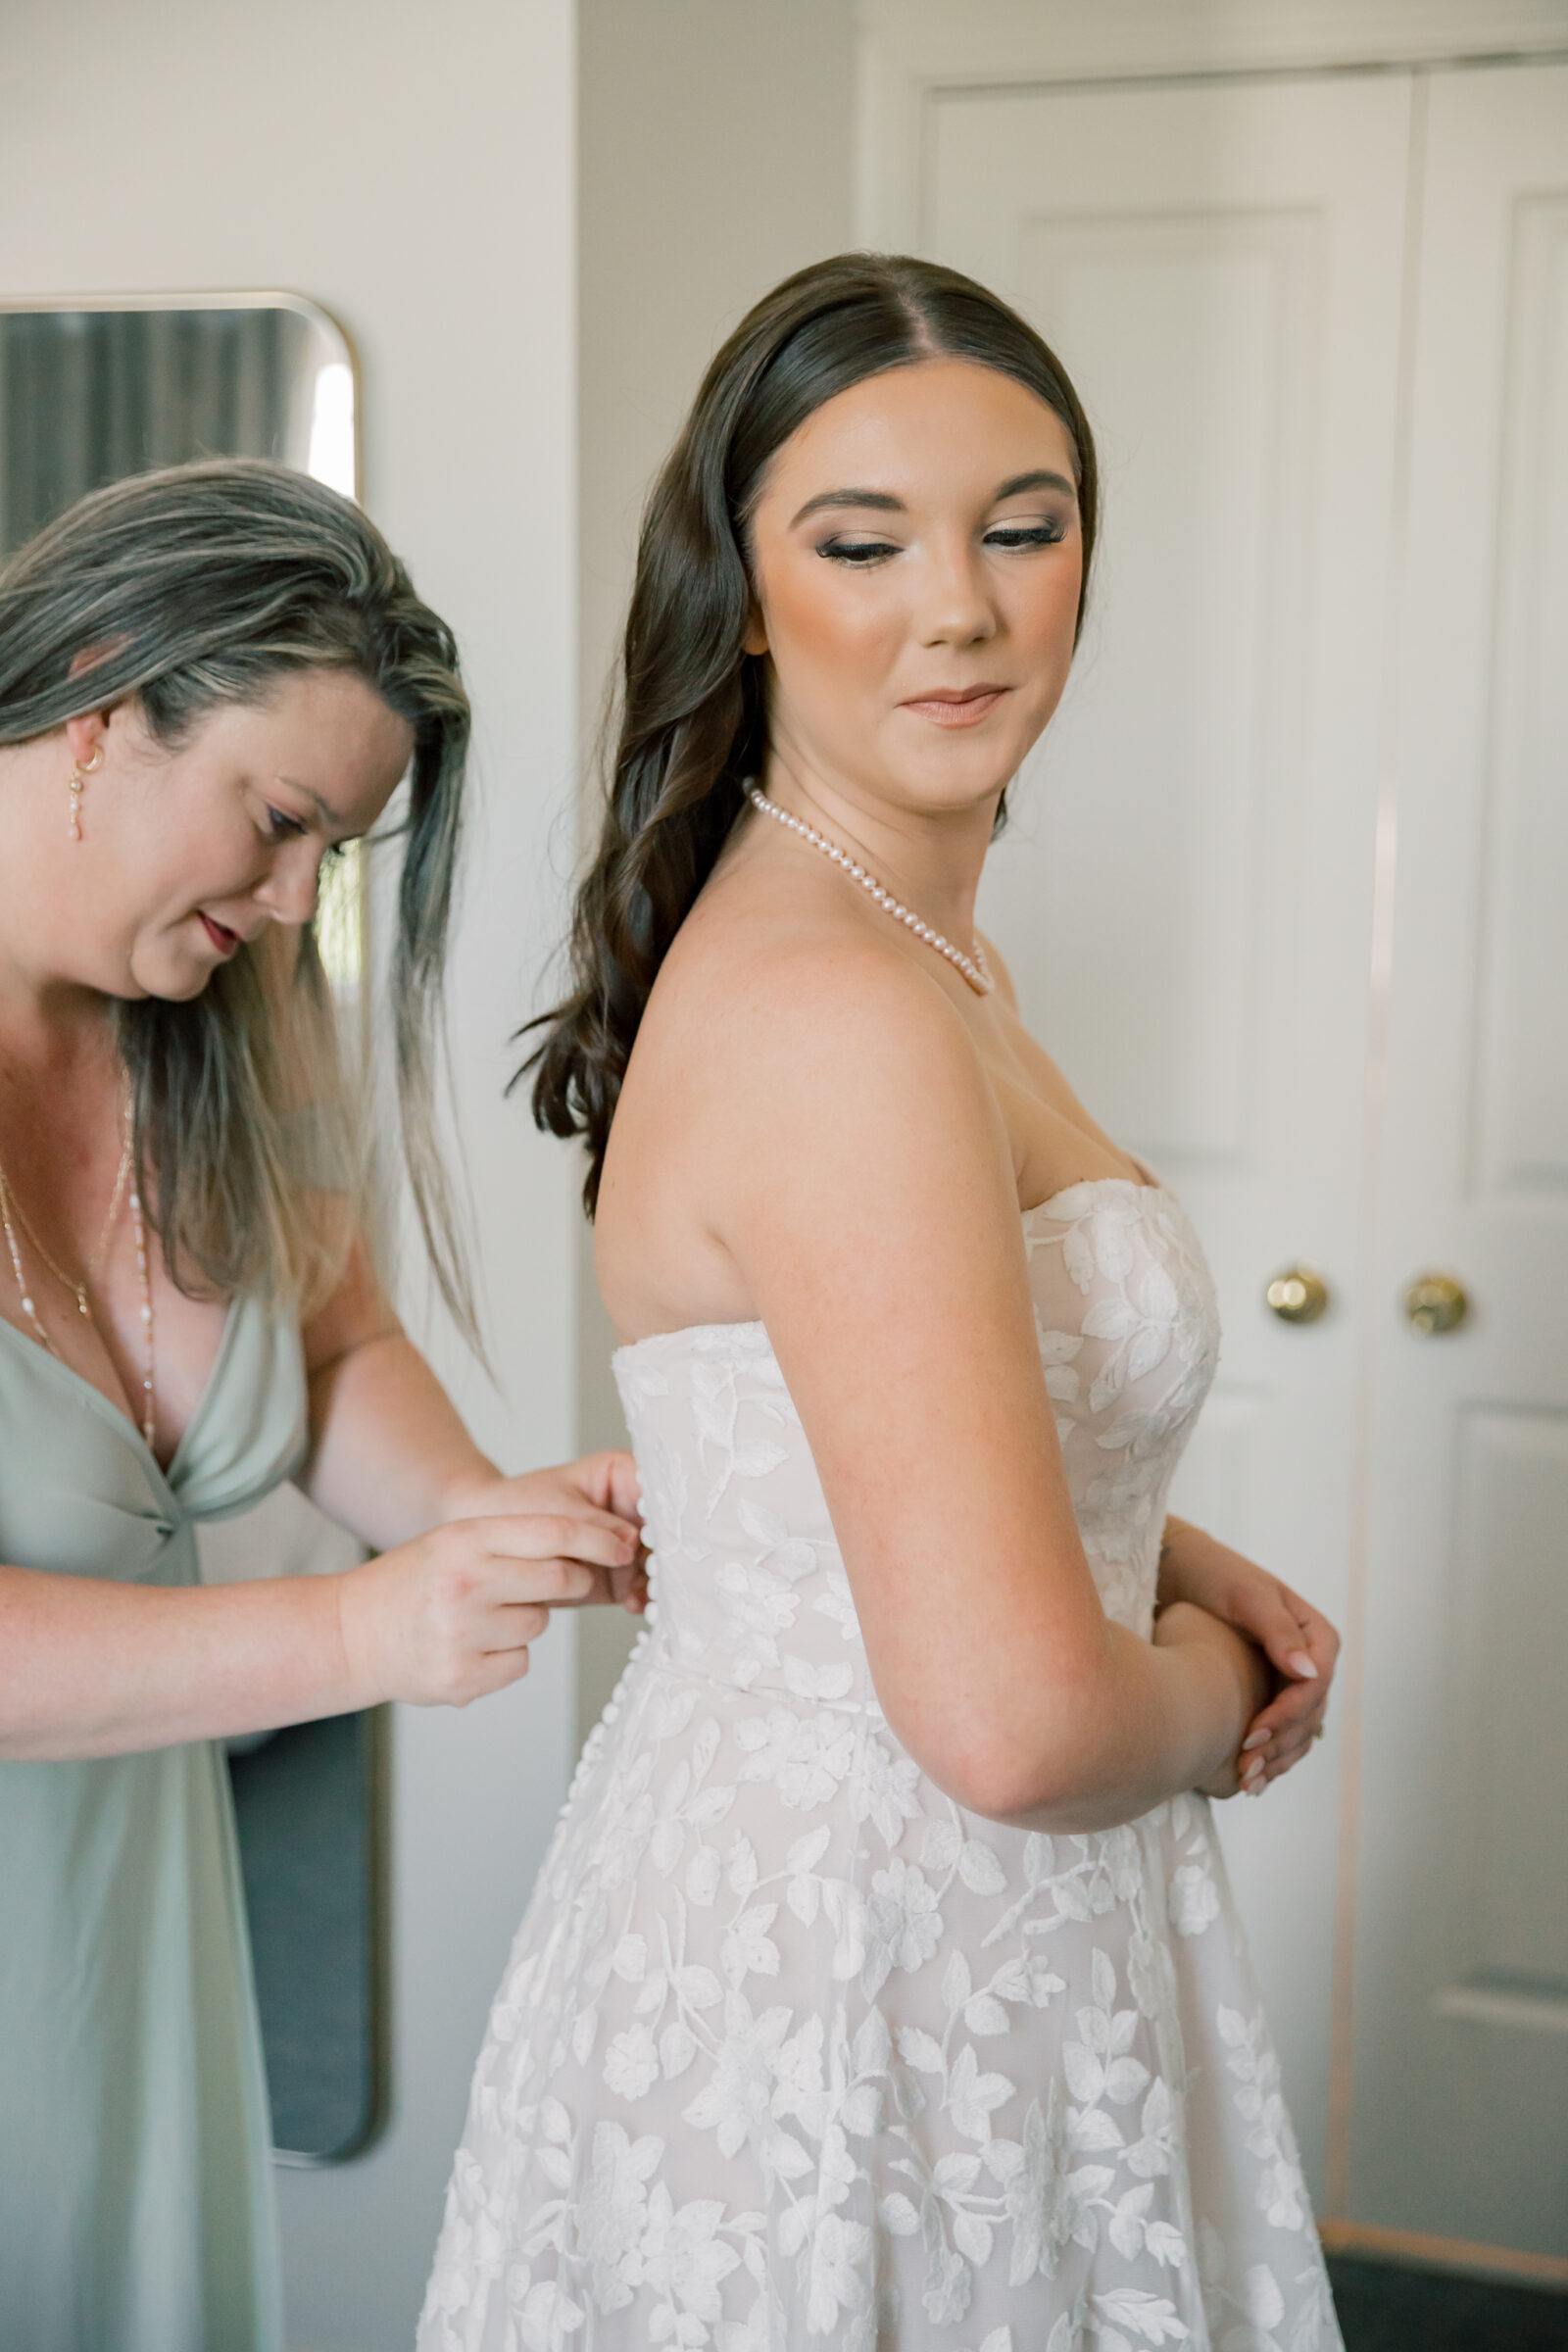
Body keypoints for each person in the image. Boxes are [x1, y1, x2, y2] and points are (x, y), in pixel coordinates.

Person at [421, 257, 1344, 2350]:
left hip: (920, 1917)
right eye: (862, 543)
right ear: (738, 594)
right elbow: (1016, 1728)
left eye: (1023, 528)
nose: (961, 604)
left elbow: (865, 1419)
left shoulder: (910, 956)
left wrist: (1162, 1544)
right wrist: (1216, 1684)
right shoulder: (841, 1009)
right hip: (877, 1956)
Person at [0, 461, 645, 2352]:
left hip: (125, 1922)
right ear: (104, 699)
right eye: (277, 823)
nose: (290, 910)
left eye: (330, 858)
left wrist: (480, 1517)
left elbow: (337, 1333)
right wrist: (367, 1628)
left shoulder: (214, 1016)